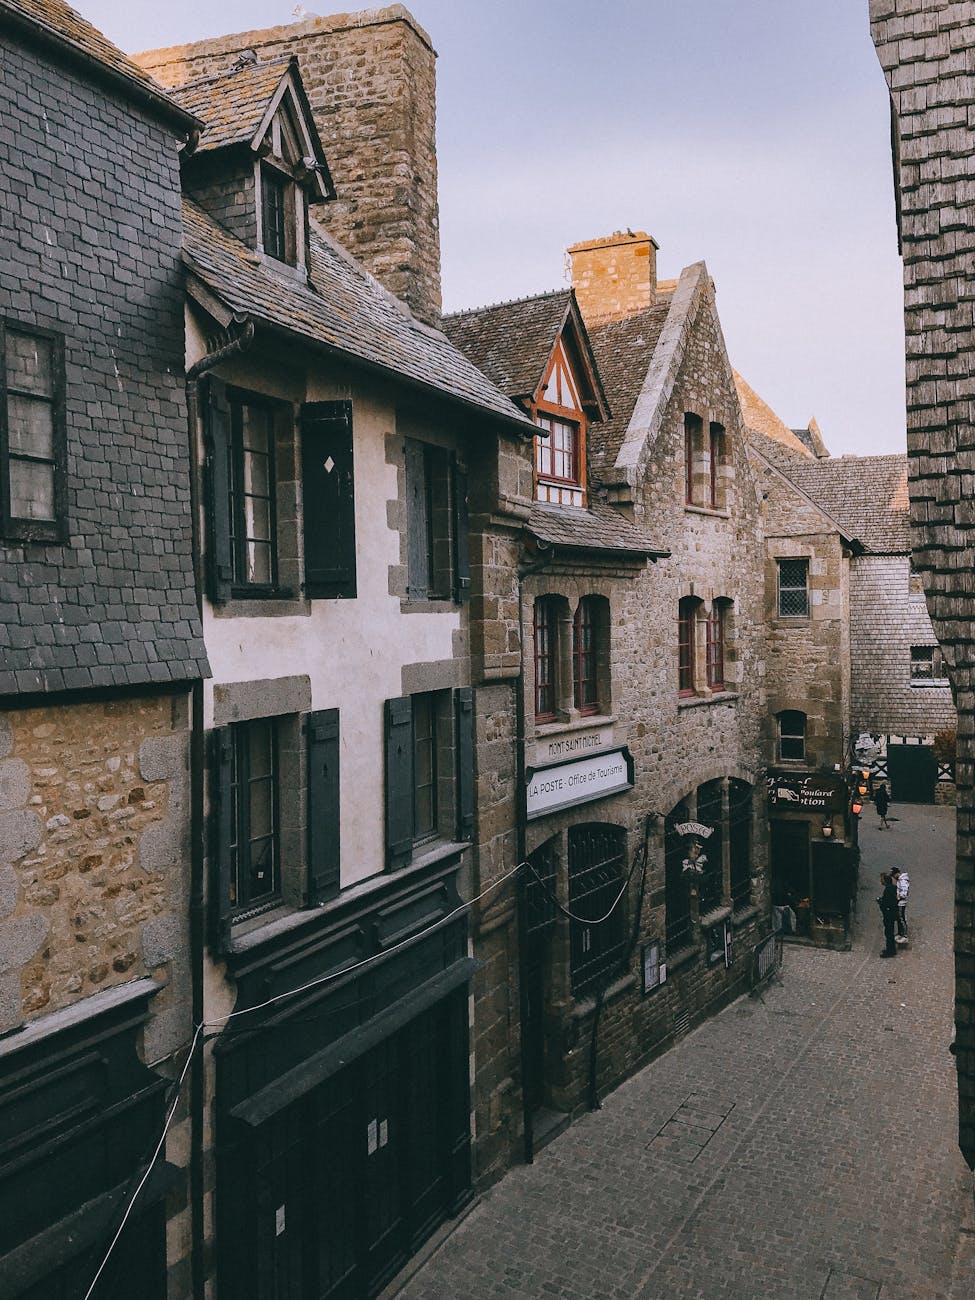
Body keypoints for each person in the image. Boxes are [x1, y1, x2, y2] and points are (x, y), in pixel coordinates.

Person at [878, 872, 898, 957]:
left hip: (889, 914)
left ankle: (890, 951)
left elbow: (886, 903)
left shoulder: (888, 890)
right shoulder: (893, 888)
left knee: (888, 932)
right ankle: (891, 949)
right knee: (890, 932)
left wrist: (880, 902)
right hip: (893, 913)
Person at [891, 866, 910, 942]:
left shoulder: (903, 881)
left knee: (901, 918)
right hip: (900, 902)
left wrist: (899, 896)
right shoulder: (900, 880)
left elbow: (904, 892)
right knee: (899, 918)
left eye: (893, 875)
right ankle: (900, 933)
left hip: (901, 902)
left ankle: (904, 935)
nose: (893, 877)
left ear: (896, 874)